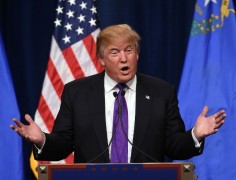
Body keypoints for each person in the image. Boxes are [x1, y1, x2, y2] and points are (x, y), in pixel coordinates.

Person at [10, 24, 226, 164]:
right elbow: (63, 145)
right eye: (115, 52)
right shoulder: (77, 93)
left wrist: (195, 135)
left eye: (129, 50)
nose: (124, 58)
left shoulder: (161, 92)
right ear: (102, 60)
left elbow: (173, 146)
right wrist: (41, 141)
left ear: (137, 55)